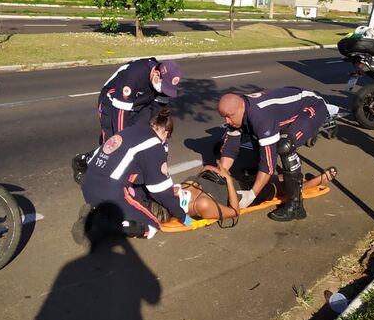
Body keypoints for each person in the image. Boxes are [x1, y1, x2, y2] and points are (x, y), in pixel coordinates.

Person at [74, 109, 191, 242]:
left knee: (135, 195)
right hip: (109, 191)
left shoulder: (130, 131)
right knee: (152, 226)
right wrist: (181, 215)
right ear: (166, 133)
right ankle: (97, 225)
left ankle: (95, 212)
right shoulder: (154, 146)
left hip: (88, 184)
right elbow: (161, 191)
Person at [217, 87, 331, 222]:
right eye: (224, 117)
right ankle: (272, 174)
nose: (227, 121)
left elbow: (268, 165)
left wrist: (252, 194)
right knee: (257, 134)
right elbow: (230, 148)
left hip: (312, 108)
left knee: (284, 146)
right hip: (279, 113)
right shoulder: (239, 110)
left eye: (229, 116)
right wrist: (220, 174)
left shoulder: (260, 116)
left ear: (241, 108)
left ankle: (296, 207)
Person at [71, 58, 183, 183]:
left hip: (140, 103)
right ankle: (85, 162)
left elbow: (158, 113)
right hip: (113, 103)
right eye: (163, 87)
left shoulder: (164, 85)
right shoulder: (134, 74)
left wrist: (157, 141)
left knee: (143, 136)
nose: (164, 91)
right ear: (156, 74)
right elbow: (120, 116)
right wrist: (123, 142)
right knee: (114, 142)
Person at [147, 164, 337, 225]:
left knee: (278, 178)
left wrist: (207, 170)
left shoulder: (179, 192)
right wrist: (228, 180)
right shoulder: (201, 205)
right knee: (284, 189)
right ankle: (317, 181)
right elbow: (234, 212)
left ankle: (297, 179)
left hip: (236, 181)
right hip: (244, 194)